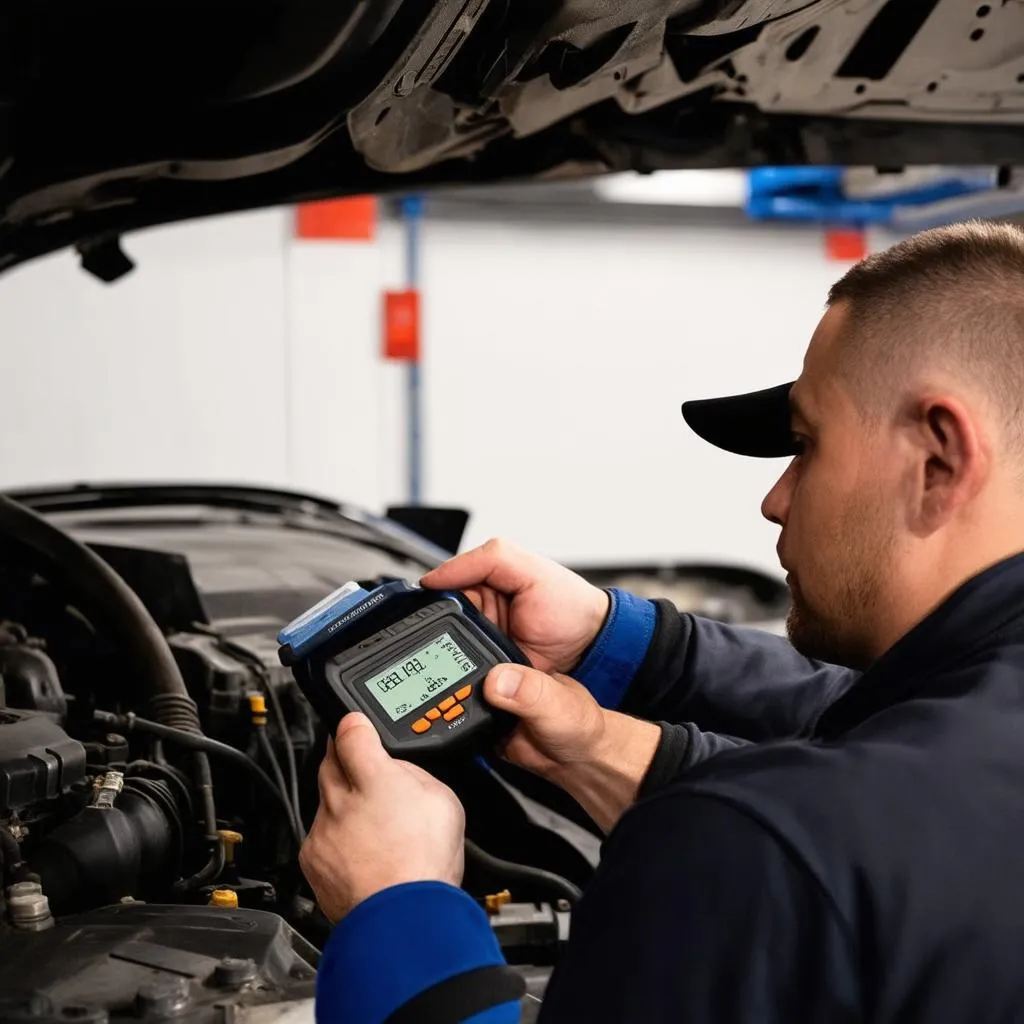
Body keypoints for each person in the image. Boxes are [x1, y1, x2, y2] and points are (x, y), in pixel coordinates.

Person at [300, 220, 1024, 1023]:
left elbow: (813, 827)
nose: (774, 498)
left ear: (940, 456)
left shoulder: (755, 858)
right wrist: (623, 662)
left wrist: (400, 921)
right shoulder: (950, 759)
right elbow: (893, 738)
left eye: (803, 443)